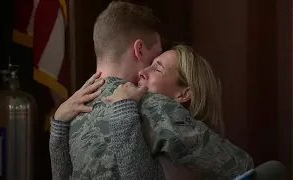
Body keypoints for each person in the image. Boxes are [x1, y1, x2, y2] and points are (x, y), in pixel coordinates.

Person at [50, 1, 253, 180]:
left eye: (158, 67)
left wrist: (58, 126)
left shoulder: (72, 112)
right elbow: (241, 165)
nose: (143, 73)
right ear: (139, 49)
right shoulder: (152, 105)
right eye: (154, 58)